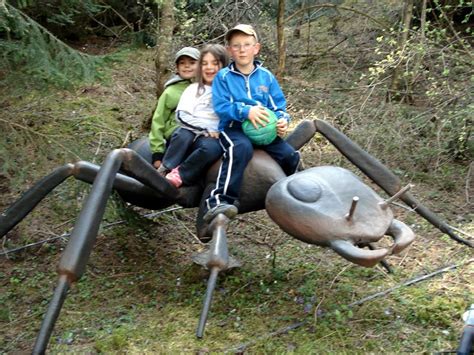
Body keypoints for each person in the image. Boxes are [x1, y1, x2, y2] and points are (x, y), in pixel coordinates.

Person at [203, 24, 300, 222]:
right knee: (240, 149)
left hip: (264, 129)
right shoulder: (223, 77)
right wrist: (246, 111)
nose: (242, 49)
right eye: (236, 46)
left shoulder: (266, 77)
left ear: (256, 48)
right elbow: (221, 107)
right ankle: (219, 200)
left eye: (247, 45)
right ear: (230, 50)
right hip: (234, 128)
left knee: (290, 155)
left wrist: (282, 120)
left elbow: (278, 106)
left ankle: (298, 194)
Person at [159, 44, 230, 188]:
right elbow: (182, 115)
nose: (209, 68)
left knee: (212, 149)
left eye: (215, 63)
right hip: (191, 129)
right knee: (182, 134)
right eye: (204, 63)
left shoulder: (228, 91)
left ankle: (181, 174)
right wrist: (204, 128)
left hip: (211, 137)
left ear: (224, 65)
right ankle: (165, 167)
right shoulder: (193, 89)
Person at [149, 47, 200, 169]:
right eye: (182, 63)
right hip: (177, 130)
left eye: (192, 63)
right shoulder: (170, 92)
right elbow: (158, 120)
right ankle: (166, 168)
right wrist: (157, 152)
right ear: (177, 68)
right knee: (185, 134)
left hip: (200, 129)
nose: (187, 66)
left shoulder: (205, 88)